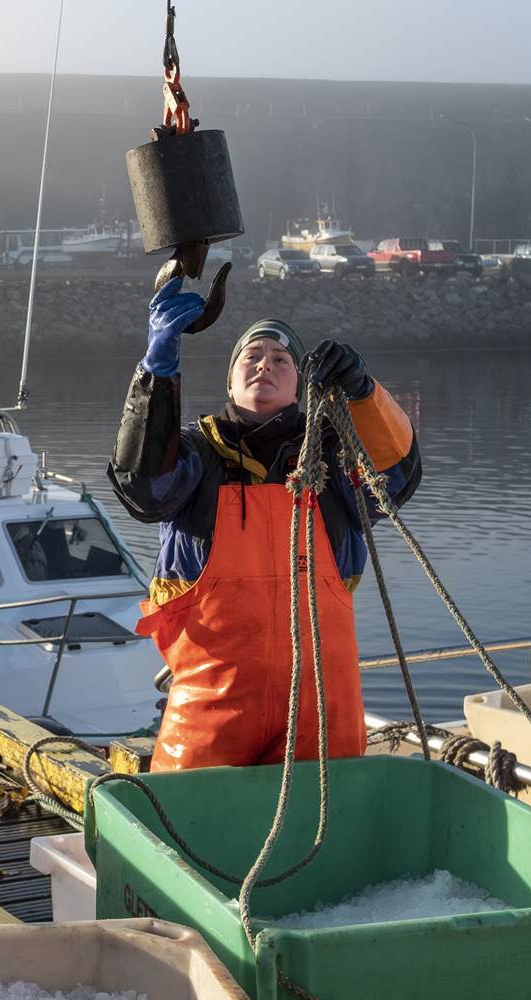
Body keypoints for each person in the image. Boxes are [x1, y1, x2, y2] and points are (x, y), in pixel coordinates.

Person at [108, 278, 422, 771]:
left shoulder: (334, 461)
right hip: (210, 701)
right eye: (251, 356)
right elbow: (143, 487)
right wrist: (156, 370)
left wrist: (363, 395)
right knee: (191, 829)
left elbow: (396, 479)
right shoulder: (195, 456)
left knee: (326, 833)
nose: (265, 364)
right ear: (229, 382)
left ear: (301, 385)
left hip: (323, 703)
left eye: (281, 359)